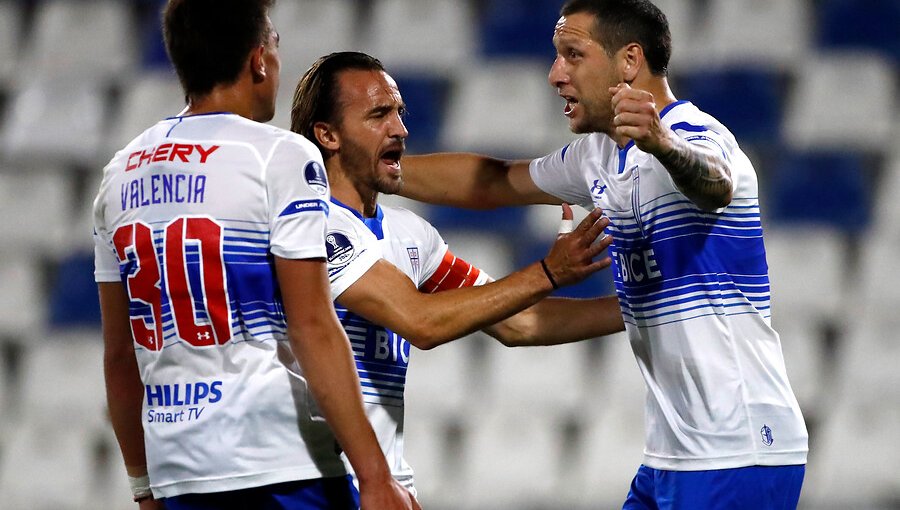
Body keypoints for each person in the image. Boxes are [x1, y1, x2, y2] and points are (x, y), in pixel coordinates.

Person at [397, 1, 809, 508]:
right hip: (670, 454)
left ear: (629, 62)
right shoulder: (598, 154)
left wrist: (662, 143)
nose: (554, 74)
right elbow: (497, 183)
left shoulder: (696, 135)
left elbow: (716, 184)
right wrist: (384, 172)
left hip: (740, 449)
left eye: (573, 55)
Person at [93, 1, 418, 509]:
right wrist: (376, 476)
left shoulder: (119, 174)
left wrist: (144, 488)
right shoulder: (280, 156)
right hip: (281, 467)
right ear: (258, 60)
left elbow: (119, 354)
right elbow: (312, 323)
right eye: (275, 45)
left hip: (182, 473)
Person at [289, 51, 626, 495]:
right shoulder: (307, 225)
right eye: (378, 115)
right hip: (309, 484)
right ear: (327, 135)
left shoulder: (411, 234)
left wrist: (644, 304)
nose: (400, 129)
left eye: (399, 113)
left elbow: (517, 322)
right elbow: (420, 321)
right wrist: (548, 271)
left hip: (381, 481)